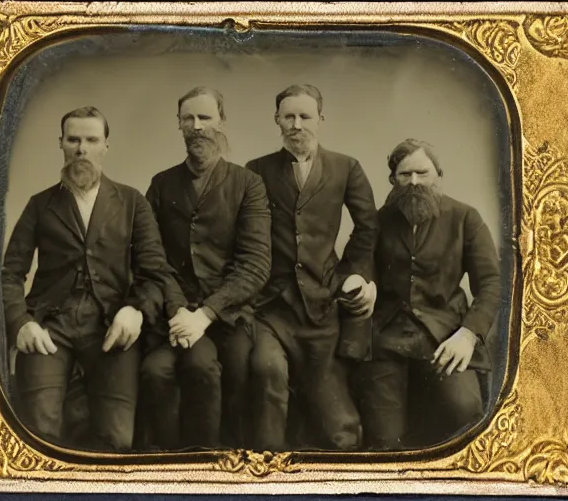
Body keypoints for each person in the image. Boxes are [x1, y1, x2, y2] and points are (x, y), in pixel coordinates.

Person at [2, 106, 177, 451]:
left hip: (111, 326)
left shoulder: (132, 202)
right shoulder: (40, 205)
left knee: (117, 437)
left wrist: (135, 311)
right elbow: (9, 273)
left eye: (91, 140)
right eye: (74, 140)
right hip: (50, 328)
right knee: (39, 431)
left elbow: (155, 271)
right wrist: (21, 323)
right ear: (62, 145)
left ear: (105, 147)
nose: (82, 149)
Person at [245, 84, 377, 451]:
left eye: (305, 116)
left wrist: (354, 274)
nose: (296, 125)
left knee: (341, 434)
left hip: (324, 307)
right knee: (267, 372)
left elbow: (368, 227)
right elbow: (246, 236)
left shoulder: (346, 167)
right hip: (271, 307)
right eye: (288, 117)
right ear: (277, 121)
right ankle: (264, 475)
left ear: (320, 119)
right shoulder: (256, 171)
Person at [139, 87, 272, 449]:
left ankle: (211, 468)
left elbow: (256, 264)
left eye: (205, 118)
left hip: (228, 316)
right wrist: (178, 309)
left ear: (221, 121)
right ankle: (165, 468)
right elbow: (151, 259)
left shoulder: (248, 185)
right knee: (156, 371)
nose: (197, 127)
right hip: (176, 312)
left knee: (216, 370)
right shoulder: (161, 184)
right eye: (189, 119)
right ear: (179, 124)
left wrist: (206, 313)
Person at [355, 138, 500, 450]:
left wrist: (469, 334)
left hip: (446, 336)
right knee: (384, 439)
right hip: (388, 339)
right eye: (405, 175)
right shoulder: (378, 221)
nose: (414, 183)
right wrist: (362, 284)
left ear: (439, 175)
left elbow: (491, 285)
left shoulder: (465, 219)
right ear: (393, 180)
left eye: (422, 173)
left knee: (464, 411)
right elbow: (360, 268)